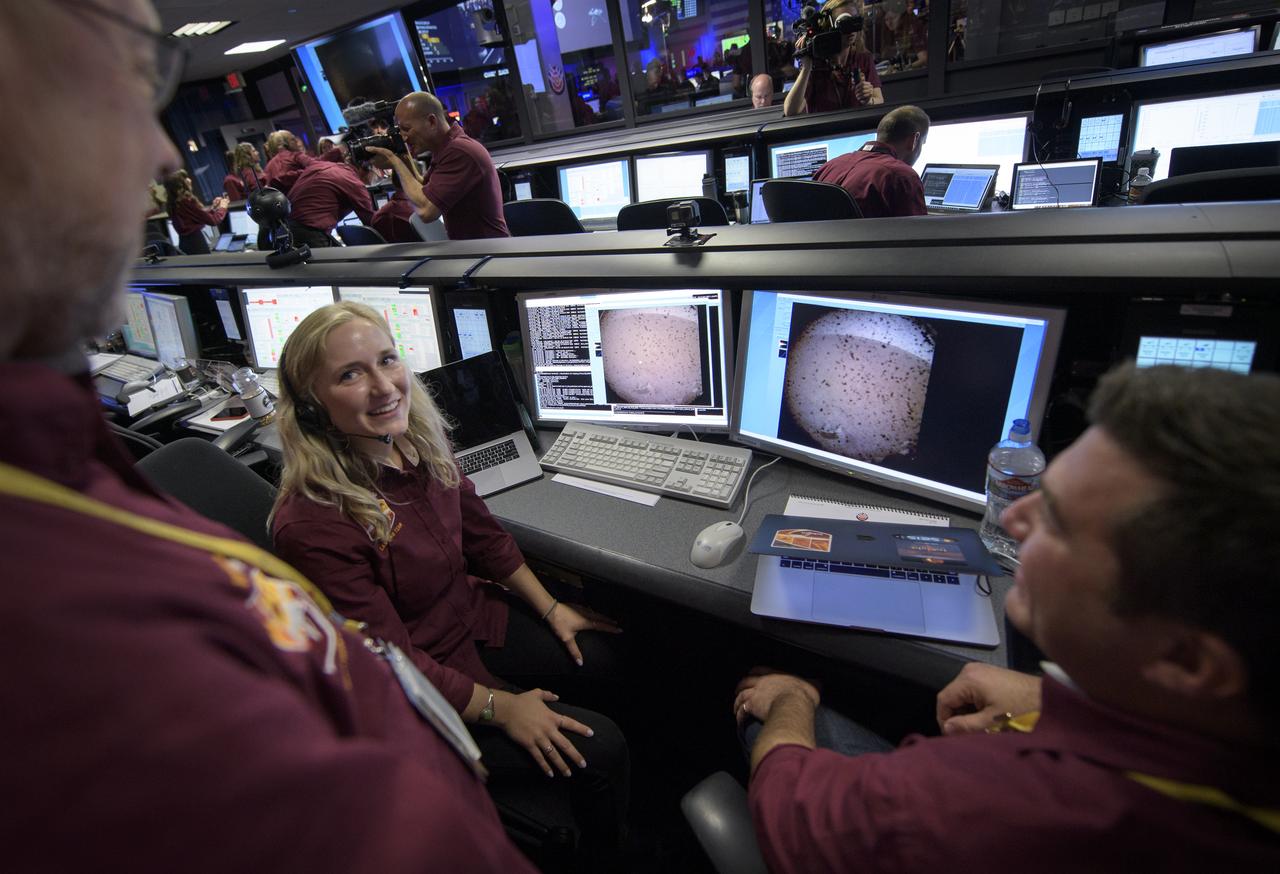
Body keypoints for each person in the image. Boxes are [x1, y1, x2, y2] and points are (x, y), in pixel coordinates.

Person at [0, 2, 537, 871]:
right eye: (122, 92)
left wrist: (539, 606)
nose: (164, 154)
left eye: (389, 362)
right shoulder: (64, 630)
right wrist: (490, 705)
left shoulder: (61, 470)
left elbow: (467, 530)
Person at [736, 362, 1280, 872]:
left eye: (1059, 523)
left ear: (1184, 661)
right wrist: (1045, 699)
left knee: (768, 705)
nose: (1014, 517)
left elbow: (793, 819)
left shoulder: (994, 804)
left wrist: (792, 698)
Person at [269, 302, 630, 864]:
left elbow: (484, 537)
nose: (384, 386)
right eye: (350, 374)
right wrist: (501, 708)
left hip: (467, 616)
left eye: (387, 360)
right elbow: (389, 660)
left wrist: (551, 606)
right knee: (599, 747)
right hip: (417, 684)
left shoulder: (413, 439)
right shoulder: (313, 521)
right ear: (313, 408)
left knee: (600, 655)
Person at [368, 91, 510, 240]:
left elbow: (426, 211)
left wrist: (395, 162)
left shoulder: (458, 151)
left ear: (431, 121)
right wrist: (402, 158)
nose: (403, 137)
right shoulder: (446, 148)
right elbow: (424, 188)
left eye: (407, 129)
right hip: (475, 249)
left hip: (490, 253)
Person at [813, 104, 929, 217]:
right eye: (922, 143)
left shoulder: (829, 166)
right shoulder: (902, 176)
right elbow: (919, 233)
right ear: (914, 140)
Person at [783, 0, 884, 117]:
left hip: (856, 129)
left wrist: (868, 100)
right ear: (830, 25)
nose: (850, 30)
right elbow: (790, 110)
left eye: (853, 22)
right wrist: (806, 68)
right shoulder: (817, 63)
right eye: (844, 23)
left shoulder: (862, 58)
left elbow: (879, 99)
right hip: (825, 131)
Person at [282, 155, 375, 248]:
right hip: (311, 232)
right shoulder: (353, 182)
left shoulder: (321, 165)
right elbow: (371, 221)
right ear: (367, 168)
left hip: (288, 227)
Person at [164, 169, 228, 254]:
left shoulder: (174, 203)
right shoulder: (186, 201)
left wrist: (214, 208)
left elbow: (197, 216)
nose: (189, 180)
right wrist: (223, 207)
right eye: (185, 178)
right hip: (196, 243)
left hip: (185, 243)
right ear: (180, 186)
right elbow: (213, 221)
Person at [263, 129, 315, 195]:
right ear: (285, 144)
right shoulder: (295, 156)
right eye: (292, 139)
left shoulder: (267, 168)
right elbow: (319, 167)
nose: (296, 141)